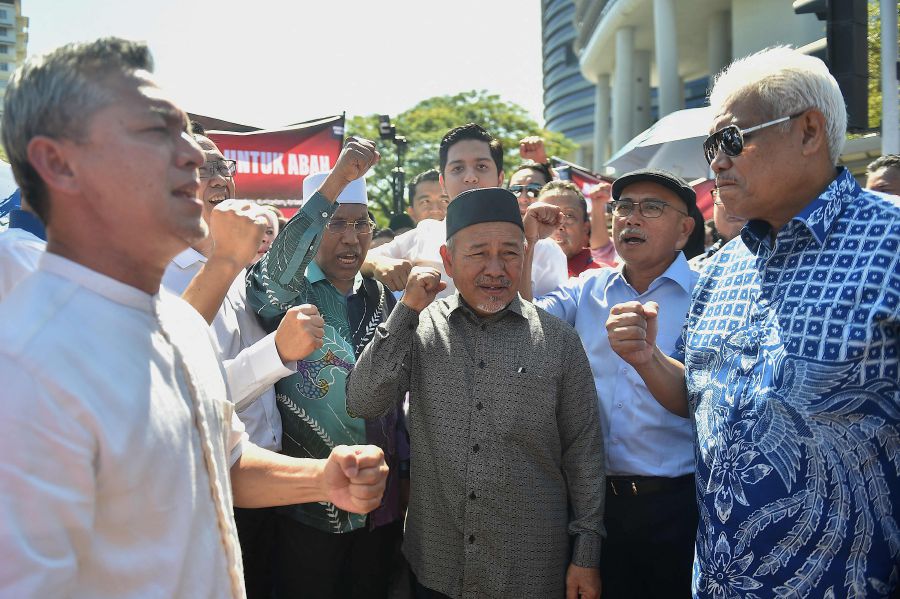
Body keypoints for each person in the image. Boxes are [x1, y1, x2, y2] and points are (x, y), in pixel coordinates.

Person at [0, 38, 388, 597]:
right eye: (154, 134)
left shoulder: (178, 322)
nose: (192, 157)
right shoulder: (28, 361)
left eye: (185, 134)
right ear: (59, 164)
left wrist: (323, 479)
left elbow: (220, 462)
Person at [606, 46, 900, 597]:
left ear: (809, 131)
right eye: (710, 145)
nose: (715, 162)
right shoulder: (718, 269)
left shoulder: (891, 244)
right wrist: (649, 361)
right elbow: (701, 403)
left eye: (731, 140)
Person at [347, 187, 606, 599]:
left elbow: (584, 453)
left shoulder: (558, 341)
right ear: (448, 260)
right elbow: (363, 399)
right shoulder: (421, 328)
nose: (495, 269)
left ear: (525, 256)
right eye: (478, 253)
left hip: (531, 570)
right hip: (438, 567)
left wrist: (586, 553)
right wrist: (406, 310)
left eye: (509, 253)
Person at [523, 169, 699, 598]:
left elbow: (706, 398)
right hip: (591, 505)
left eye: (651, 208)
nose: (631, 218)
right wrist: (530, 240)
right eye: (623, 207)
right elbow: (523, 319)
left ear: (685, 228)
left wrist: (648, 358)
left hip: (676, 505)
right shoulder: (588, 289)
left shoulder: (707, 295)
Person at [246, 170, 407, 598]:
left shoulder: (381, 295)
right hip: (307, 508)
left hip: (378, 504)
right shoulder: (286, 295)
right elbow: (271, 277)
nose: (351, 239)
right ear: (313, 227)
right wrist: (334, 185)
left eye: (361, 224)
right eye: (336, 223)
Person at [363, 123, 567, 298]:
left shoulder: (543, 249)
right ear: (443, 182)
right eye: (457, 169)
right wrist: (378, 264)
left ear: (500, 179)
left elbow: (550, 324)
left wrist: (529, 246)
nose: (470, 177)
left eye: (481, 166)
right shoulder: (424, 233)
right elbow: (361, 260)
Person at [536, 180, 604, 277]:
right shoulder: (520, 273)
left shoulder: (602, 278)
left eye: (569, 215)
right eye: (547, 216)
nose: (559, 225)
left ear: (585, 228)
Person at [688, 188, 747, 269]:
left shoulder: (768, 270)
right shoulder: (689, 271)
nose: (733, 206)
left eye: (745, 195)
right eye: (724, 195)